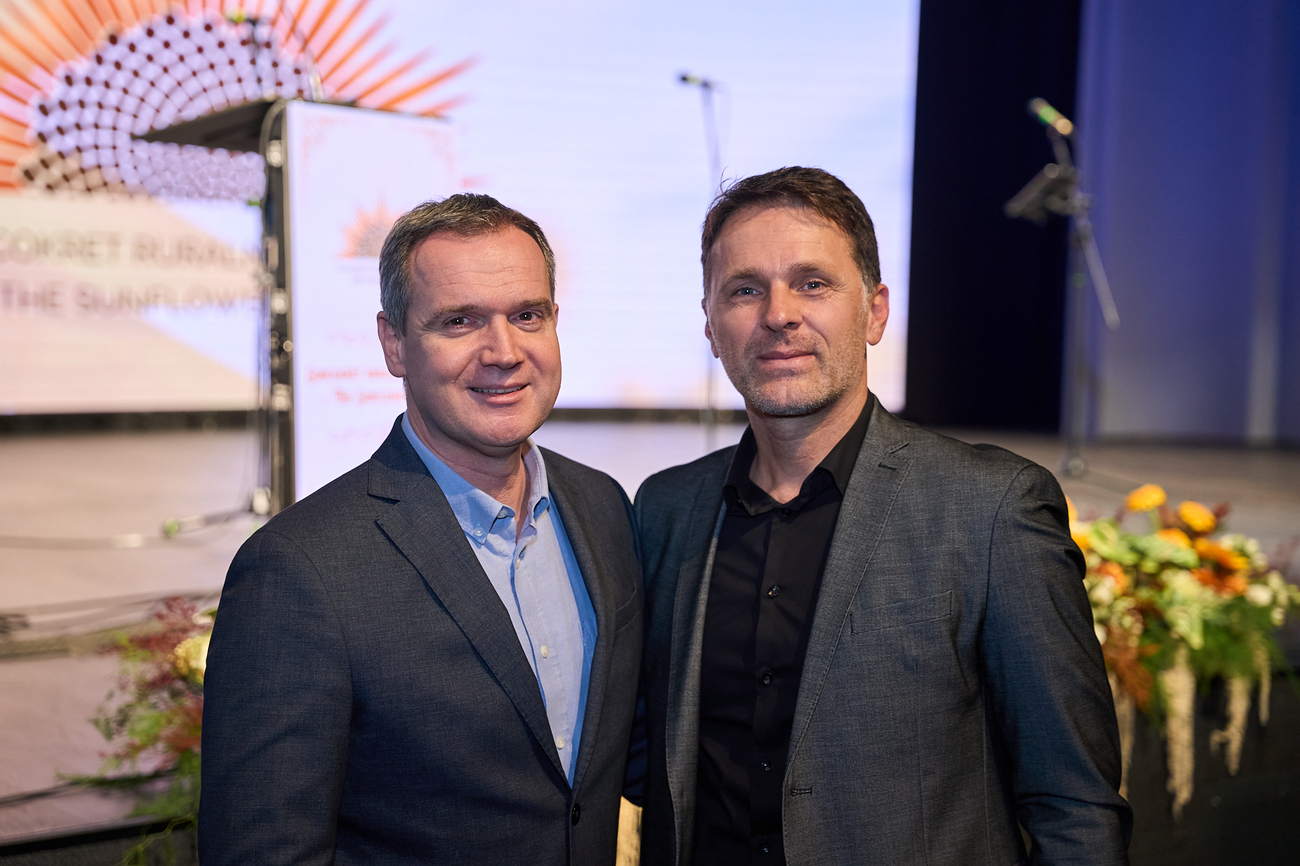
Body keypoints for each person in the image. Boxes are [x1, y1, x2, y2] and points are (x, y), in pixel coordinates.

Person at [632, 167, 1131, 865]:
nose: (778, 314)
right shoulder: (666, 510)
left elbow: (1074, 806)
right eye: (745, 289)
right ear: (712, 325)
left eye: (812, 283)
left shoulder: (991, 509)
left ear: (874, 311)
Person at [200, 194, 642, 866]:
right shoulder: (299, 570)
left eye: (528, 315)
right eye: (460, 322)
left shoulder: (602, 507)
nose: (504, 352)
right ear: (394, 343)